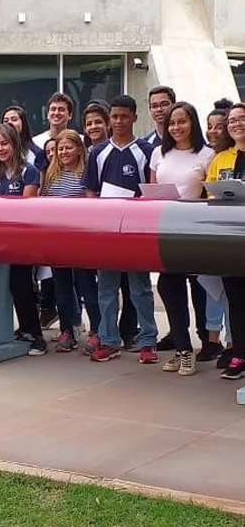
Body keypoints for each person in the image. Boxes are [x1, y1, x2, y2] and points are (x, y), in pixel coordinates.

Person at [82, 94, 158, 364]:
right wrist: (96, 222)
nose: (118, 121)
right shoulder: (98, 152)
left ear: (135, 117)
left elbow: (150, 192)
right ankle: (109, 340)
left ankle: (148, 340)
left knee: (140, 289)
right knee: (106, 289)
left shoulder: (146, 152)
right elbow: (91, 190)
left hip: (135, 234)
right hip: (106, 234)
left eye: (124, 116)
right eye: (114, 117)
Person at [149, 102, 214, 376]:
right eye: (172, 123)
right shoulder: (158, 153)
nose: (176, 127)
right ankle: (182, 348)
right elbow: (151, 189)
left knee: (199, 288)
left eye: (182, 122)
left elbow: (211, 194)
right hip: (165, 229)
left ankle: (207, 342)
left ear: (192, 123)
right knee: (168, 285)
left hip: (195, 229)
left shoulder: (208, 154)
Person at [0, 123, 46, 356]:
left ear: (15, 143)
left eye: (4, 143)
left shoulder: (29, 171)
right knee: (9, 287)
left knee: (23, 286)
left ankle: (37, 336)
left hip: (22, 241)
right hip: (1, 241)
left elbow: (26, 207)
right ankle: (23, 329)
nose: (0, 149)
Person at [41, 130, 100, 352]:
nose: (64, 152)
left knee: (87, 287)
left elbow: (91, 206)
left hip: (81, 241)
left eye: (68, 147)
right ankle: (68, 330)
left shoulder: (85, 173)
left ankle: (97, 331)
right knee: (62, 289)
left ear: (79, 149)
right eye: (60, 148)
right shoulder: (51, 174)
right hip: (57, 242)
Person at [206, 101, 245, 378]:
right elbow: (209, 192)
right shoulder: (221, 158)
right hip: (230, 239)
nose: (235, 124)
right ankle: (240, 354)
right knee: (235, 300)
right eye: (232, 120)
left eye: (241, 119)